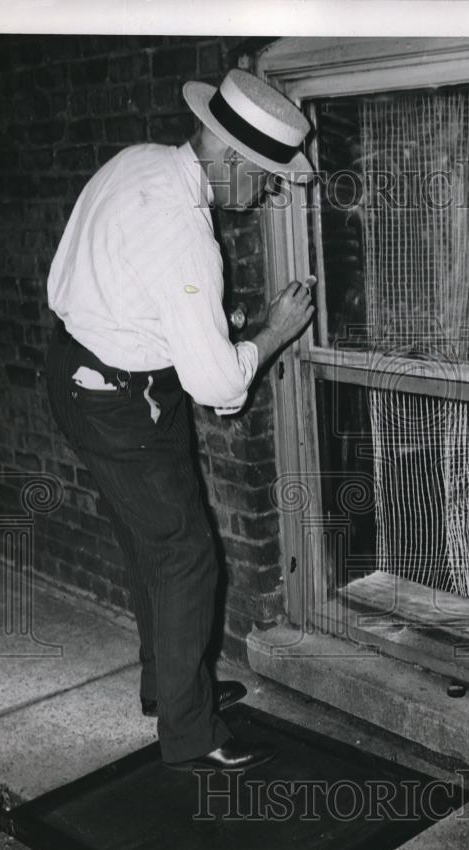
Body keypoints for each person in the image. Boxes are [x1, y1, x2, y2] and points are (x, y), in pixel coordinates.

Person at [45, 68, 315, 772]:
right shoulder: (186, 232)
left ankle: (168, 688)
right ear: (228, 160)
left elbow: (121, 281)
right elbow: (218, 386)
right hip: (121, 404)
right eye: (264, 176)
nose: (268, 191)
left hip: (78, 374)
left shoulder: (138, 161)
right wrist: (274, 330)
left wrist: (190, 324)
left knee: (149, 550)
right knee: (187, 558)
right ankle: (191, 735)